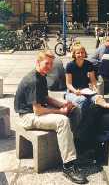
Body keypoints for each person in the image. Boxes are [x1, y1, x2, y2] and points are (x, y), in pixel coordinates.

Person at [14, 50, 87, 184]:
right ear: (38, 62)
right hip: (28, 116)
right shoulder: (33, 80)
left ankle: (71, 145)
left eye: (51, 64)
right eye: (47, 63)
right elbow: (38, 111)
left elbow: (45, 98)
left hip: (37, 111)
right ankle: (68, 166)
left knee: (75, 110)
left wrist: (63, 104)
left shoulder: (41, 75)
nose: (49, 67)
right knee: (63, 121)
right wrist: (60, 112)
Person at [65, 45, 97, 112]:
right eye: (78, 53)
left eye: (82, 52)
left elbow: (93, 80)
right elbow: (68, 84)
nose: (80, 54)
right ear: (74, 54)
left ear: (85, 53)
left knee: (97, 99)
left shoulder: (89, 64)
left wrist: (94, 87)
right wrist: (75, 91)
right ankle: (81, 120)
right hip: (73, 92)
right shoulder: (70, 65)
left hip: (86, 91)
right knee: (82, 100)